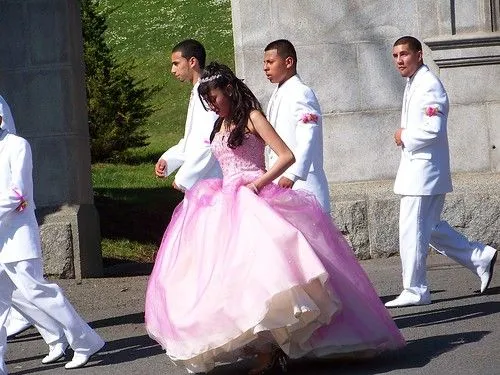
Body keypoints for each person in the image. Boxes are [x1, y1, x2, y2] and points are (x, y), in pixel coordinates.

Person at [145, 62, 405, 375]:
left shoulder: (252, 117)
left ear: (228, 90)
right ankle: (261, 344)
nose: (211, 104)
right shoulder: (218, 124)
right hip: (223, 200)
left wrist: (258, 182)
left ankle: (273, 349)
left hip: (254, 195)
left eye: (213, 97)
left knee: (271, 271)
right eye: (207, 100)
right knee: (230, 276)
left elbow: (286, 155)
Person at [385, 36, 498, 308]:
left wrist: (404, 135)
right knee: (429, 228)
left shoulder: (429, 85)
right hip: (419, 171)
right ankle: (478, 257)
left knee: (412, 231)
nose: (400, 60)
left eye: (405, 54)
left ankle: (415, 289)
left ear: (419, 55)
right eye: (396, 55)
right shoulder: (415, 83)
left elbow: (433, 129)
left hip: (423, 174)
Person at [0, 121, 105, 372]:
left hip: (18, 236)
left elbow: (19, 194)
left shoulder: (17, 145)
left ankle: (85, 340)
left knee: (39, 292)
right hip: (2, 238)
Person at [0, 95, 69, 364]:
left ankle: (68, 335)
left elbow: (13, 180)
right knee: (16, 293)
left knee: (23, 290)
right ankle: (57, 335)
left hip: (9, 223)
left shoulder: (13, 142)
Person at [263, 39, 331, 213]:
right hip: (281, 181)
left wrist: (293, 173)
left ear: (288, 62)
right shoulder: (279, 92)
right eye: (264, 63)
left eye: (270, 62)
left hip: (302, 180)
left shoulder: (301, 92)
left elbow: (308, 136)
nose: (265, 67)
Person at [154, 39, 221, 191]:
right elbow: (193, 139)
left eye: (176, 63)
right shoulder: (198, 91)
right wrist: (168, 159)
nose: (172, 70)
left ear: (192, 62)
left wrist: (184, 178)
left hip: (212, 179)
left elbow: (209, 141)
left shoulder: (207, 94)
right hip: (203, 181)